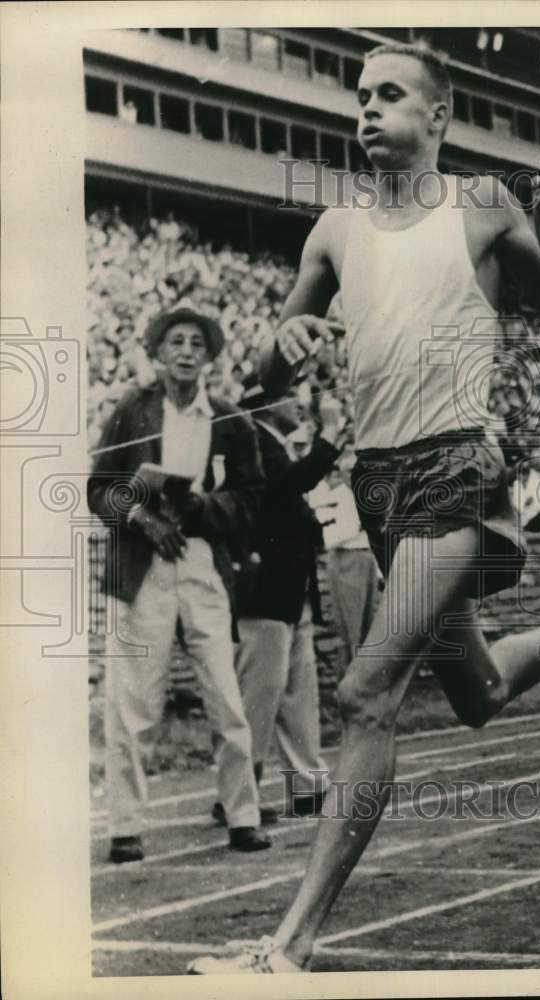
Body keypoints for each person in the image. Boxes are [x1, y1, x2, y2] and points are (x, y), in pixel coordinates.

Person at [188, 42, 540, 975]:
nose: (365, 110)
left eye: (388, 95)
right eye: (359, 96)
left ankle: (289, 945)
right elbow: (265, 374)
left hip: (456, 474)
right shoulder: (332, 231)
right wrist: (283, 342)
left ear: (437, 116)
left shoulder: (481, 206)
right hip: (382, 484)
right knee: (473, 691)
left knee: (365, 694)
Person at [88, 303, 271, 862]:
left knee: (224, 692)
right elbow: (100, 489)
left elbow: (251, 497)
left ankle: (242, 815)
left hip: (200, 563)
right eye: (177, 343)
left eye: (197, 343)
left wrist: (199, 507)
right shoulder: (132, 410)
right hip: (141, 567)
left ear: (210, 356)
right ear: (159, 352)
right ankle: (124, 827)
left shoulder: (230, 419)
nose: (187, 352)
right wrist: (144, 519)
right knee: (133, 699)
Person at [221, 381, 345, 824]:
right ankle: (237, 795)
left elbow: (288, 501)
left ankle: (308, 784)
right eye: (291, 395)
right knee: (260, 694)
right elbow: (289, 484)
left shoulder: (271, 443)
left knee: (296, 692)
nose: (300, 403)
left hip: (288, 590)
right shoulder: (254, 440)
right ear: (269, 404)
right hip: (265, 590)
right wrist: (328, 435)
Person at [309, 460, 382, 678]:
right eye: (349, 470)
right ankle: (349, 681)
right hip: (346, 559)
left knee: (369, 628)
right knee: (350, 630)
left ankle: (367, 684)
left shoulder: (368, 495)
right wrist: (358, 526)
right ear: (339, 473)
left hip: (366, 558)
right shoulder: (334, 497)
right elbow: (327, 536)